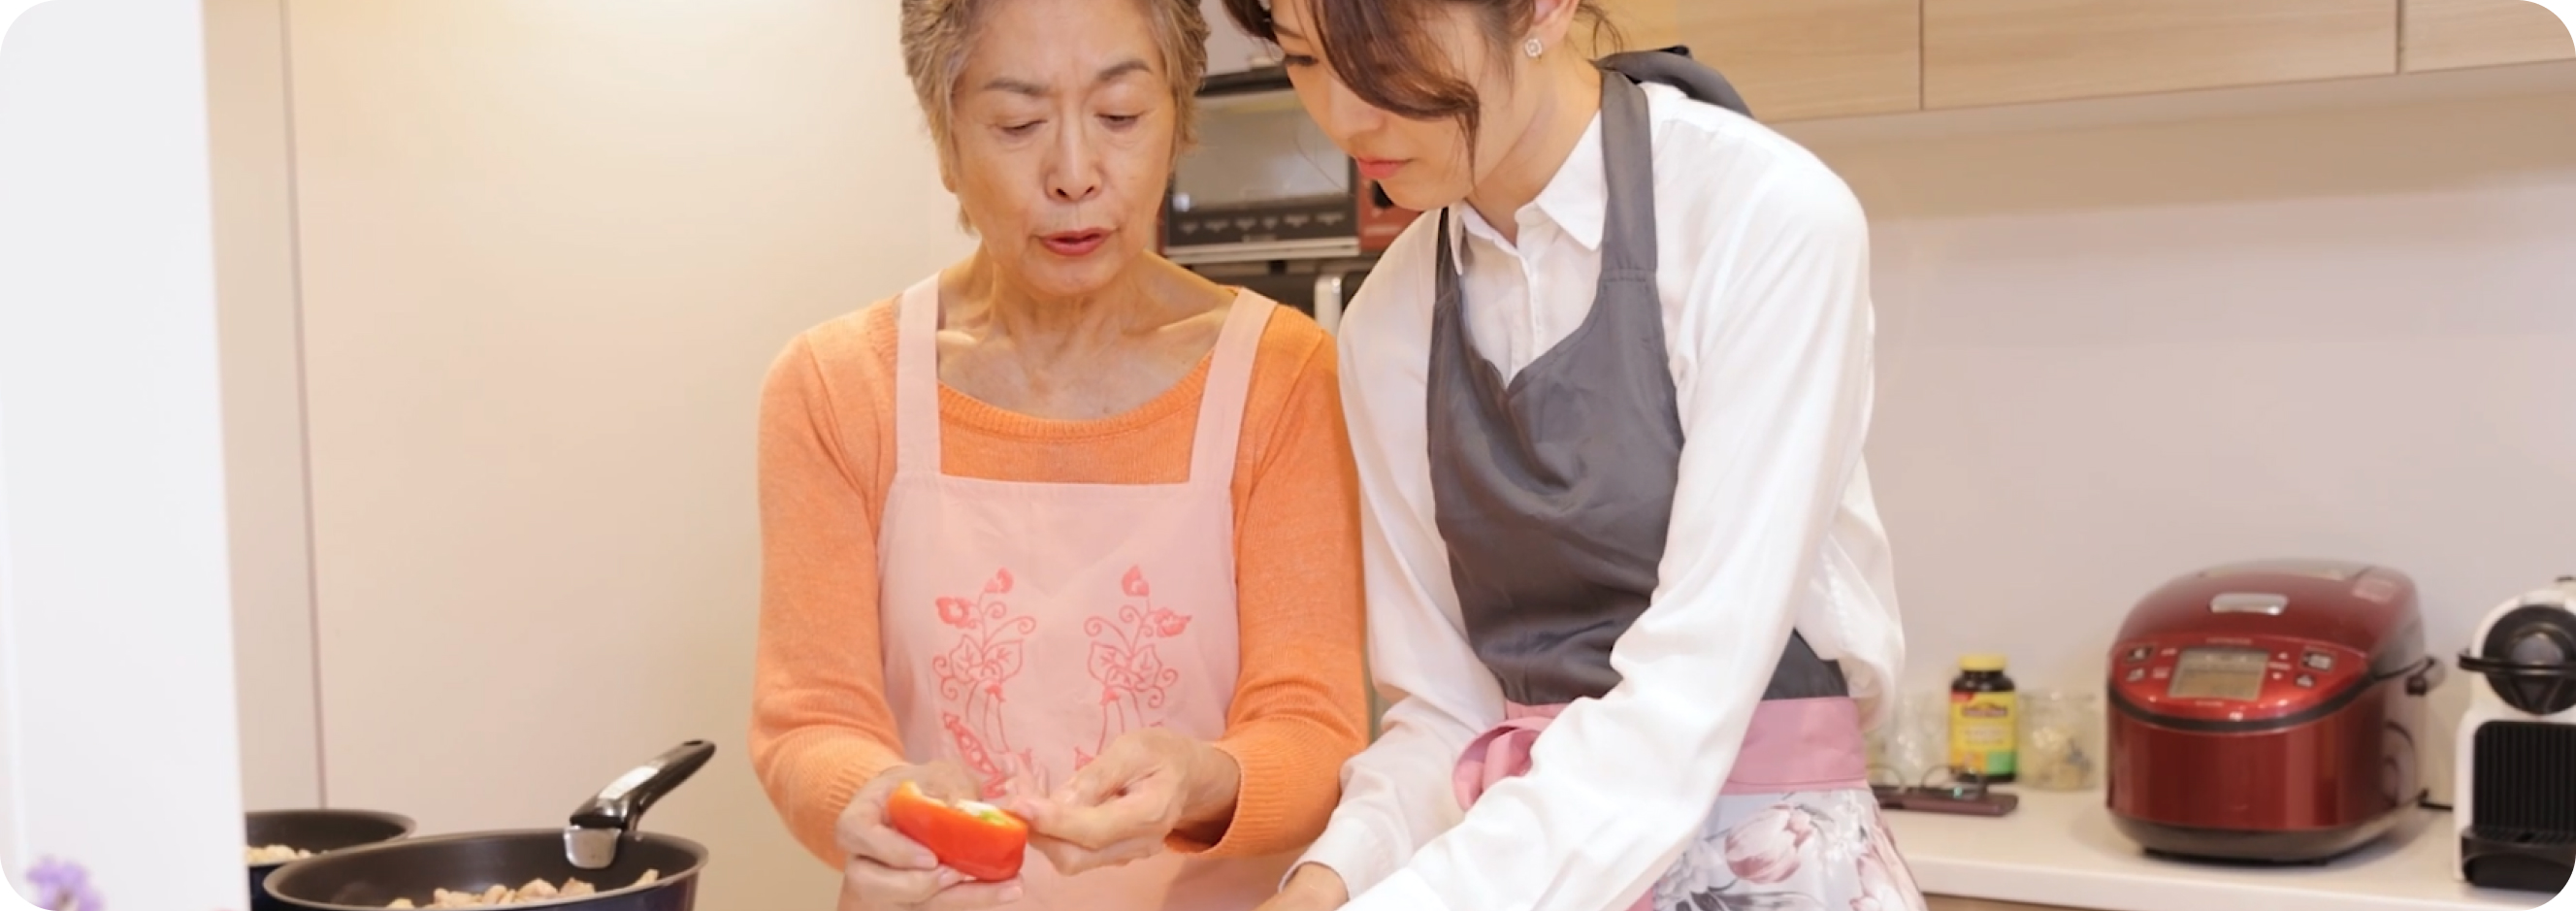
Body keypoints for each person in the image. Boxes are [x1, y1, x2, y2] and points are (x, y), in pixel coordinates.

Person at [1214, 1, 1929, 910]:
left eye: (1382, 54)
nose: (1346, 116)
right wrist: (1325, 881)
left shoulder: (1764, 217)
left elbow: (1686, 697)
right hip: (1514, 865)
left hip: (1767, 859)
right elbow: (1446, 713)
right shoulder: (1387, 322)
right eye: (1305, 61)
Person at [748, 0, 1371, 908]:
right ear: (945, 141)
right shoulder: (834, 386)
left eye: (1120, 116)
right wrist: (870, 796)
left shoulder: (1282, 376)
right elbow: (810, 721)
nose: (1075, 173)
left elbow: (1314, 729)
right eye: (1017, 123)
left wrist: (1197, 777)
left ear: (1177, 121)